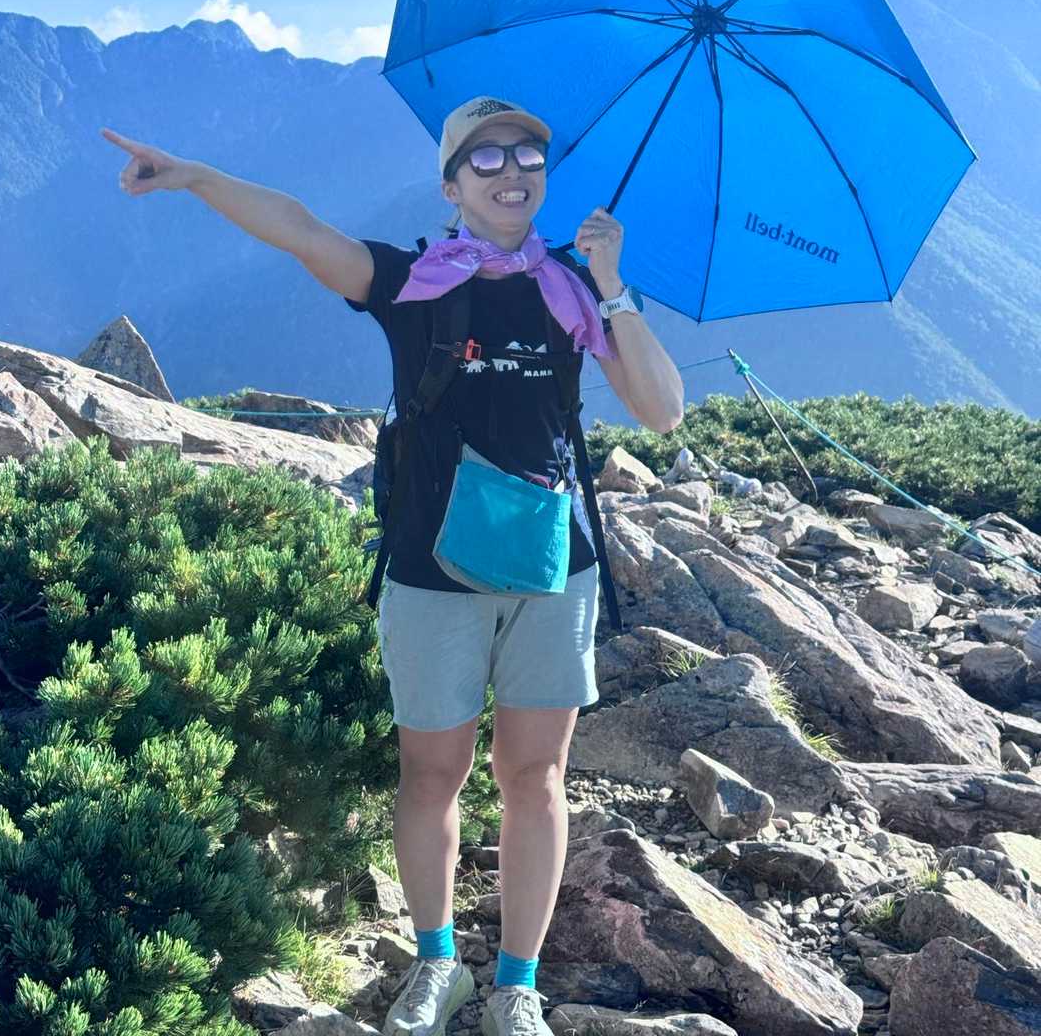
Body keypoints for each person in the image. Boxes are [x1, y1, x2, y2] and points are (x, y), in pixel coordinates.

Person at [101, 94, 686, 1036]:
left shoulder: (577, 287)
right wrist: (196, 176)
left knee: (535, 778)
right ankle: (437, 963)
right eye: (485, 158)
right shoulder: (413, 281)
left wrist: (614, 284)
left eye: (527, 155)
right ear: (452, 185)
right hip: (429, 567)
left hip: (554, 565)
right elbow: (301, 229)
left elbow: (662, 410)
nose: (510, 172)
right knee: (431, 775)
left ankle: (517, 986)